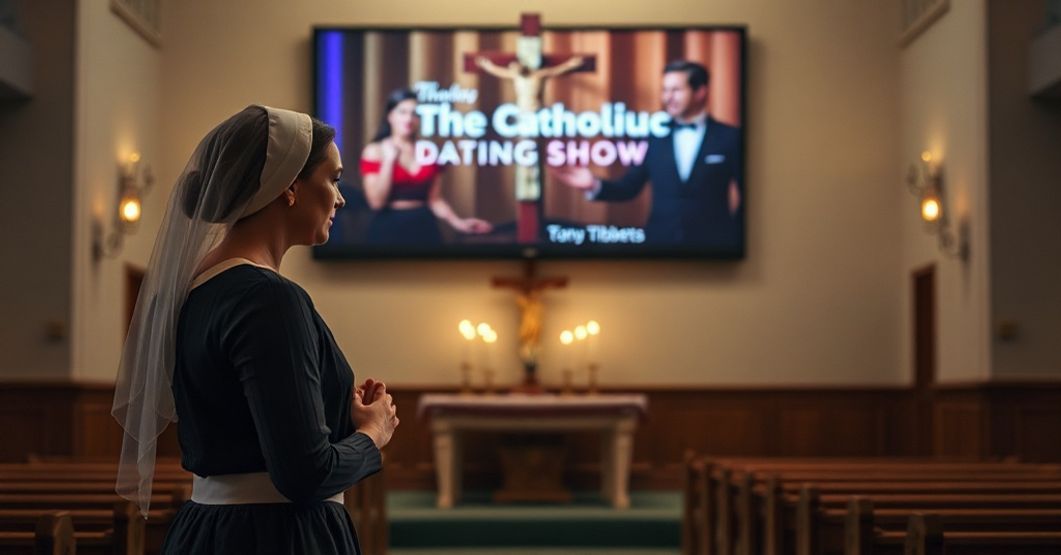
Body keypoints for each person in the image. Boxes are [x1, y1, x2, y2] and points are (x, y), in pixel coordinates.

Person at [112, 105, 399, 554]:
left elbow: (240, 429)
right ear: (290, 187)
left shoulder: (197, 289)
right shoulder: (269, 298)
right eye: (334, 179)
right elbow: (306, 474)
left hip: (211, 530)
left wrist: (342, 418)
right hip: (277, 536)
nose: (341, 199)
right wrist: (373, 435)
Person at [549, 60, 743, 247]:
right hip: (659, 247)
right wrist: (594, 185)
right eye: (665, 90)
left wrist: (734, 236)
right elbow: (629, 187)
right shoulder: (655, 137)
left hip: (715, 251)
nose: (668, 97)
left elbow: (751, 197)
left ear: (700, 92)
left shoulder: (730, 137)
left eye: (676, 90)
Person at [360, 89, 492, 245]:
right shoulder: (374, 150)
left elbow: (435, 199)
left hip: (424, 225)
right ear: (390, 116)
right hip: (387, 228)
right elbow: (376, 203)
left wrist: (459, 223)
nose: (409, 118)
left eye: (415, 114)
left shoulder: (428, 150)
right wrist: (389, 160)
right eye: (402, 112)